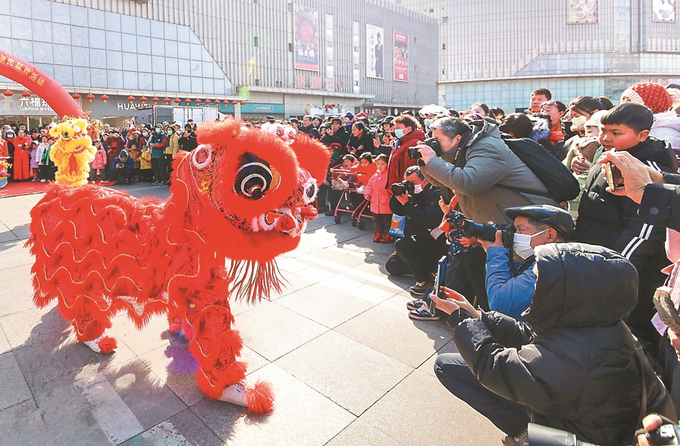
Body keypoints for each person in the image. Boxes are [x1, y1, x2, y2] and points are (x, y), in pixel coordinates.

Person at [432, 243, 676, 446]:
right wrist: (479, 316)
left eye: (541, 281)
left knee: (449, 366)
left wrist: (460, 321)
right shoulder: (604, 326)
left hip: (582, 437)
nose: (535, 287)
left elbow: (493, 365)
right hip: (590, 424)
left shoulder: (577, 360)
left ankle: (529, 434)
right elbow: (535, 339)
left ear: (572, 293)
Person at [576, 103, 676, 357]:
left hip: (630, 271)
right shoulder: (611, 153)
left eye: (616, 133)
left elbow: (644, 230)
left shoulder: (644, 165)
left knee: (635, 334)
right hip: (601, 259)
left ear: (642, 135)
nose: (605, 138)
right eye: (603, 130)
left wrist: (616, 266)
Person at [417, 117, 557, 225]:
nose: (433, 143)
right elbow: (439, 180)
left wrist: (433, 160)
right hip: (501, 222)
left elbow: (468, 183)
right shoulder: (461, 151)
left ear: (457, 139)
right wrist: (425, 161)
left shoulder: (486, 147)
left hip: (529, 223)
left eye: (437, 140)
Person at [480, 205, 573, 321]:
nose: (515, 236)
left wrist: (495, 252)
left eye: (521, 230)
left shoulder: (550, 265)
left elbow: (500, 303)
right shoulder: (562, 259)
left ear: (550, 235)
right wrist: (505, 253)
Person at [385, 166, 447, 295]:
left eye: (413, 182)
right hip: (416, 238)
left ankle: (424, 280)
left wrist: (407, 204)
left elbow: (427, 220)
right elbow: (398, 211)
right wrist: (399, 195)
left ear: (425, 180)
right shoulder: (413, 193)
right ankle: (428, 270)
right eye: (407, 182)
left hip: (432, 242)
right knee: (392, 266)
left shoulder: (435, 193)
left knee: (401, 244)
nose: (410, 186)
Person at [386, 115, 426, 190]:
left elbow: (410, 168)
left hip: (404, 188)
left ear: (409, 129)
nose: (396, 131)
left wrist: (405, 187)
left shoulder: (413, 143)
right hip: (397, 186)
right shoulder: (401, 142)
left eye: (398, 128)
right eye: (395, 128)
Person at [364, 154, 392, 243]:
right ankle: (378, 233)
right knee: (377, 220)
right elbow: (369, 186)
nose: (379, 166)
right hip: (375, 203)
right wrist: (368, 194)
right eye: (378, 164)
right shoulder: (375, 175)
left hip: (386, 202)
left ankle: (389, 234)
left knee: (388, 220)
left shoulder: (389, 176)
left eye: (382, 164)